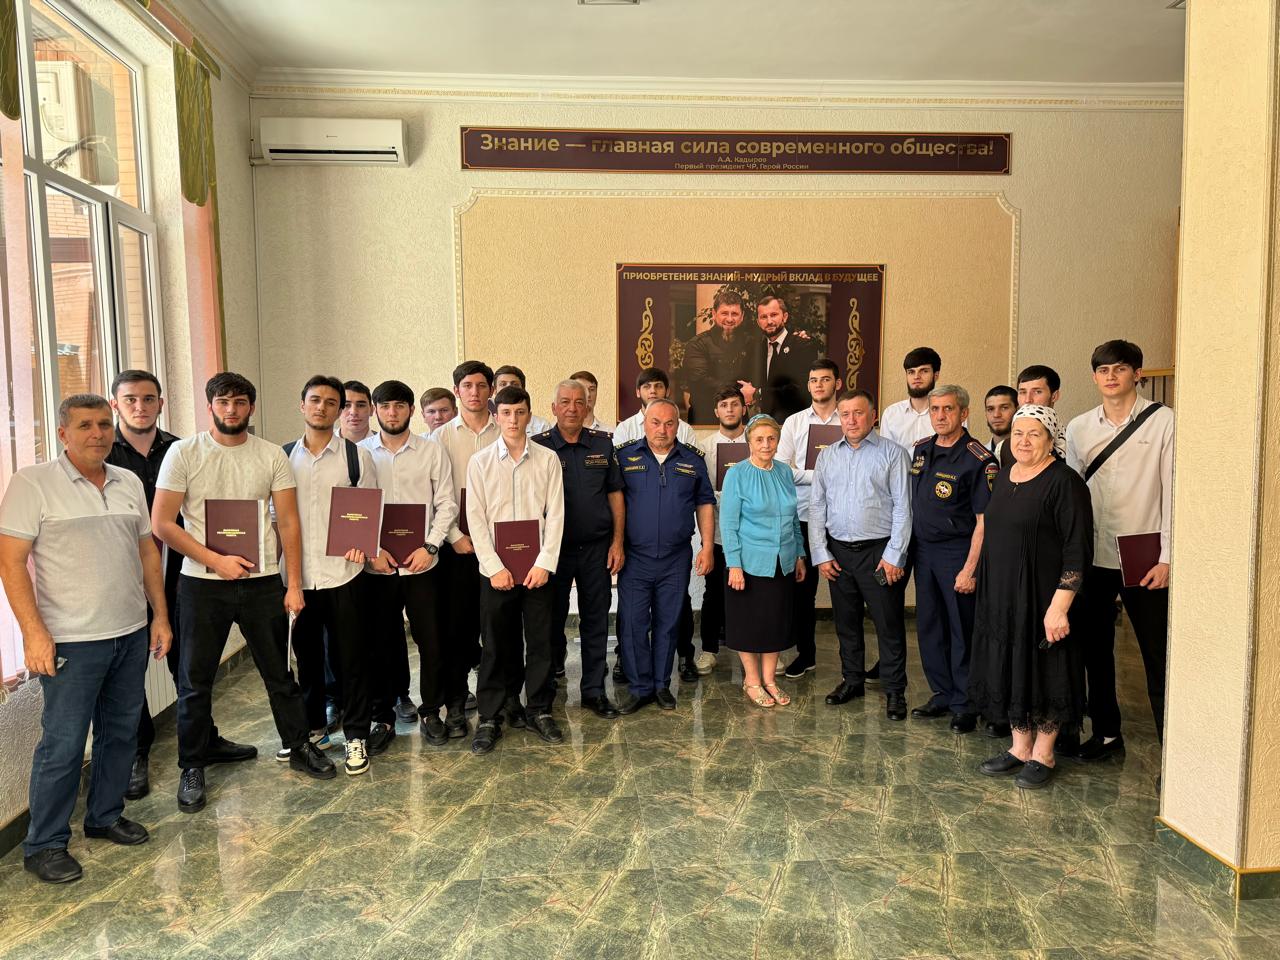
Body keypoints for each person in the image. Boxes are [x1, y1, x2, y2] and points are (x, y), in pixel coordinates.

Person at [0, 395, 171, 884]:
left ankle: (104, 815)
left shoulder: (128, 482)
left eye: (103, 424)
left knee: (121, 734)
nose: (97, 433)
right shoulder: (33, 483)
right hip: (71, 642)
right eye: (84, 426)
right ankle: (44, 844)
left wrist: (160, 616)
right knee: (64, 744)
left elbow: (147, 554)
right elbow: (10, 562)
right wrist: (34, 633)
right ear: (62, 433)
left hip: (129, 633)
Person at [153, 372, 336, 814]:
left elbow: (288, 522)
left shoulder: (271, 455)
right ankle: (192, 765)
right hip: (202, 585)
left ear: (251, 408)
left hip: (261, 584)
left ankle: (298, 745)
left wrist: (294, 584)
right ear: (210, 407)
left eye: (239, 402)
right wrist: (215, 561)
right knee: (195, 681)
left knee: (280, 673)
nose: (231, 409)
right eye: (223, 402)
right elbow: (162, 523)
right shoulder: (184, 453)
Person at [970, 405, 1092, 789]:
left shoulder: (1065, 482)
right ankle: (1020, 747)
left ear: (1051, 440)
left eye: (1034, 434)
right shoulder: (1007, 474)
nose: (1023, 441)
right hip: (1003, 596)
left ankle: (1044, 753)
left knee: (1046, 672)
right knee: (1012, 666)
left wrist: (1059, 607)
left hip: (1044, 598)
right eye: (1018, 433)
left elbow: (1077, 550)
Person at [1064, 340, 1174, 762]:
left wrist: (1167, 557)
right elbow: (1072, 495)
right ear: (1094, 377)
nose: (1110, 376)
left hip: (1144, 552)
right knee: (1094, 650)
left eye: (1120, 368)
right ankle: (1107, 734)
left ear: (1137, 374)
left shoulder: (1163, 421)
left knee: (1156, 654)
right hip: (1093, 551)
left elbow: (1173, 490)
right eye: (1103, 370)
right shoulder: (1079, 427)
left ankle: (1172, 753)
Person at [284, 376, 380, 774]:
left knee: (351, 660)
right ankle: (314, 731)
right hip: (299, 578)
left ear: (339, 409)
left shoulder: (356, 457)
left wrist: (363, 543)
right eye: (314, 400)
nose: (321, 407)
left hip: (345, 573)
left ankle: (356, 735)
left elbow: (369, 511)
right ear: (302, 405)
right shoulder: (283, 457)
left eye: (330, 402)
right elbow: (274, 518)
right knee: (306, 661)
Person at [362, 380, 462, 748]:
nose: (392, 413)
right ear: (375, 410)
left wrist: (430, 546)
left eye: (399, 406)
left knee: (432, 641)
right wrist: (371, 550)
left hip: (423, 565)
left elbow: (446, 503)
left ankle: (431, 711)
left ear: (410, 410)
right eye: (385, 406)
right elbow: (352, 509)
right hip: (378, 568)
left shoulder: (431, 450)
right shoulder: (359, 453)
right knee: (380, 644)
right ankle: (383, 718)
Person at [467, 385, 565, 754]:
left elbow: (556, 515)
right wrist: (493, 566)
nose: (513, 419)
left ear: (529, 415)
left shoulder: (547, 459)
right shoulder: (480, 462)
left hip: (537, 570)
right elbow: (475, 518)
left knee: (540, 643)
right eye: (506, 413)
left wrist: (545, 563)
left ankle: (539, 709)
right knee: (495, 644)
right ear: (496, 416)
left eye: (520, 412)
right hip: (496, 571)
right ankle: (490, 716)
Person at [105, 370, 189, 802]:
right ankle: (137, 754)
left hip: (179, 572)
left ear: (161, 403)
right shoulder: (103, 453)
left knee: (188, 663)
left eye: (148, 399)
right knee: (128, 674)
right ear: (115, 404)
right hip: (123, 575)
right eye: (130, 399)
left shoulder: (181, 449)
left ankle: (203, 738)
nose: (140, 407)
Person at [809, 390, 912, 720]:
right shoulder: (827, 456)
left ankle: (894, 690)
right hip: (839, 552)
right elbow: (817, 506)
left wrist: (895, 555)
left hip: (878, 553)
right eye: (845, 414)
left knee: (888, 624)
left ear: (873, 415)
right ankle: (852, 680)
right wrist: (821, 553)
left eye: (858, 413)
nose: (851, 420)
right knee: (846, 623)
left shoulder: (893, 453)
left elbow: (903, 508)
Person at [615, 398, 715, 713]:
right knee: (633, 623)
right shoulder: (624, 457)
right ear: (644, 423)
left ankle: (661, 685)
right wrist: (614, 545)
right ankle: (640, 687)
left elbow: (704, 504)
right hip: (635, 557)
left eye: (669, 423)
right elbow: (614, 504)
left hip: (675, 557)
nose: (662, 429)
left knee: (668, 623)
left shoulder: (692, 460)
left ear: (678, 426)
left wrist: (707, 546)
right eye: (655, 422)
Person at [908, 386, 997, 733]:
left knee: (962, 629)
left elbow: (984, 522)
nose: (940, 415)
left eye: (948, 409)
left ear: (964, 413)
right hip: (924, 552)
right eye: (935, 409)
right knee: (930, 624)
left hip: (957, 552)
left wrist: (970, 569)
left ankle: (966, 702)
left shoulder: (978, 459)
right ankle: (943, 692)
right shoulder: (922, 449)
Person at [533, 380, 625, 717]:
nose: (572, 408)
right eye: (565, 402)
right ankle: (545, 690)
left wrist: (618, 542)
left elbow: (615, 494)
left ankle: (594, 691)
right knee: (549, 622)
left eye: (579, 402)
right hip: (552, 553)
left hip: (596, 549)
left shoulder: (603, 444)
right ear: (553, 408)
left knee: (596, 619)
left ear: (587, 407)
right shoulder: (538, 446)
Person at [720, 414, 806, 708]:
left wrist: (799, 555)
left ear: (778, 440)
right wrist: (734, 564)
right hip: (748, 564)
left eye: (771, 438)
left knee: (775, 624)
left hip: (783, 562)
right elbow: (728, 524)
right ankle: (752, 681)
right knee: (749, 625)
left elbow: (793, 517)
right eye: (759, 439)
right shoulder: (737, 474)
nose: (766, 444)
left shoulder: (784, 472)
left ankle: (769, 680)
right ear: (749, 442)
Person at [431, 360, 502, 709]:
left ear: (491, 390)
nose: (474, 392)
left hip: (499, 546)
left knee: (496, 626)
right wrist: (454, 535)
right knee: (457, 627)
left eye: (481, 385)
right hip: (456, 544)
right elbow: (436, 493)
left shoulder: (505, 429)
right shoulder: (440, 437)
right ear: (456, 391)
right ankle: (457, 701)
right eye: (467, 386)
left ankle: (497, 699)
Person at [775, 358, 842, 678]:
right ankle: (806, 654)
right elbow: (782, 469)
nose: (818, 385)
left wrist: (807, 474)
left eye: (825, 379)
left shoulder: (850, 417)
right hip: (803, 515)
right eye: (813, 380)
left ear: (837, 384)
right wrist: (822, 475)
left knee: (848, 591)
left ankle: (851, 662)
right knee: (802, 592)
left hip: (844, 518)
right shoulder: (795, 422)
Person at [698, 384, 750, 676]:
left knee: (753, 594)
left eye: (734, 404)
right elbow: (703, 493)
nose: (730, 410)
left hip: (752, 534)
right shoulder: (704, 447)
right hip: (717, 533)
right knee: (714, 593)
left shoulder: (756, 442)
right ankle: (708, 651)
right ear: (716, 411)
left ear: (744, 408)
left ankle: (757, 648)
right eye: (724, 405)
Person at [678, 290, 756, 424]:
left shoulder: (751, 343)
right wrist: (740, 391)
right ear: (714, 314)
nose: (730, 319)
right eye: (724, 313)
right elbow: (700, 382)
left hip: (740, 419)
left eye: (735, 314)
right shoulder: (697, 344)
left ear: (742, 316)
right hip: (703, 418)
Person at [751, 295, 822, 422]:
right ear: (758, 322)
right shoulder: (757, 350)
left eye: (774, 315)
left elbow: (800, 388)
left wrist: (758, 393)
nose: (769, 321)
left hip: (795, 422)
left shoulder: (803, 345)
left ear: (785, 317)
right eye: (763, 317)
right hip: (766, 422)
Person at [612, 367, 702, 449]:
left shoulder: (685, 429)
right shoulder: (624, 429)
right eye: (647, 386)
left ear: (667, 391)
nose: (653, 391)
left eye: (658, 386)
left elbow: (693, 460)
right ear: (638, 392)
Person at [998, 365, 1063, 469]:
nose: (1028, 400)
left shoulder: (1073, 441)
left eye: (1037, 392)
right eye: (1022, 392)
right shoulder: (1003, 448)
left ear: (1054, 396)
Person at [879, 347, 943, 448]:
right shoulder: (891, 414)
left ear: (936, 375)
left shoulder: (950, 413)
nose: (916, 376)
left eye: (924, 371)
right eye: (911, 372)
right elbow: (886, 454)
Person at [494, 365, 552, 434]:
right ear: (494, 391)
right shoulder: (489, 425)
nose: (509, 388)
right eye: (503, 384)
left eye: (515, 384)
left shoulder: (542, 427)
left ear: (523, 389)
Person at [983, 385, 1017, 456]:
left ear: (1017, 410)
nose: (996, 415)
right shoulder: (977, 457)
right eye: (991, 409)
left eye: (1004, 408)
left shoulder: (1033, 455)